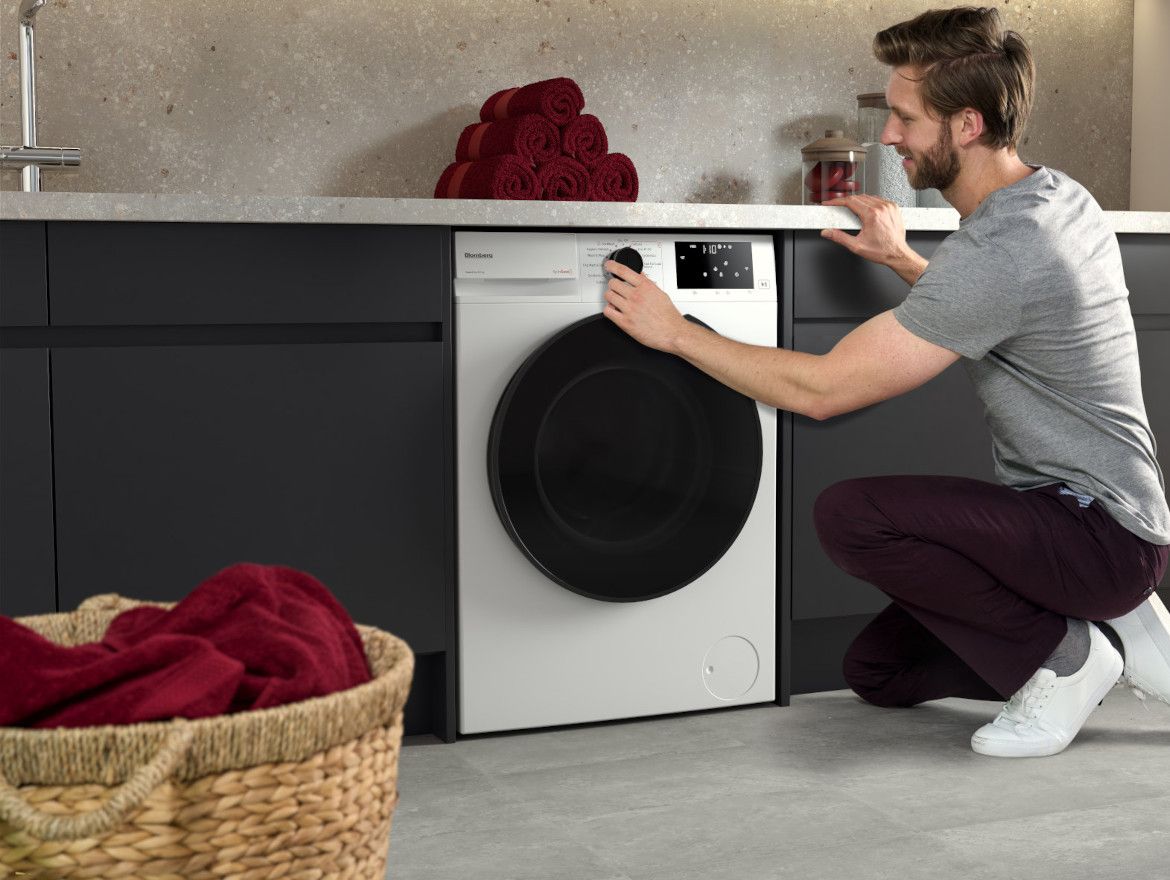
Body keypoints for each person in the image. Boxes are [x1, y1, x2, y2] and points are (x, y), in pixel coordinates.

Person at [601, 5, 1170, 758]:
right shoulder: (1054, 197)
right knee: (878, 670)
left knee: (852, 515)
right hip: (1102, 523)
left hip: (1094, 534)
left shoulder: (1006, 243)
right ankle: (1123, 632)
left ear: (966, 125)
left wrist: (674, 333)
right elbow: (1011, 314)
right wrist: (908, 264)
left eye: (905, 117)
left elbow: (824, 390)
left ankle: (1071, 657)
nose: (890, 135)